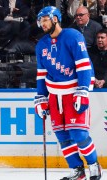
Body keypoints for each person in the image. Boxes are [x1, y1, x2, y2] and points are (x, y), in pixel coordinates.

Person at [34, 6, 102, 180]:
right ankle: (77, 170)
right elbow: (41, 75)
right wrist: (41, 97)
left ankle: (94, 166)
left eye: (45, 20)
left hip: (73, 93)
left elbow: (84, 66)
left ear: (55, 19)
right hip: (55, 96)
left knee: (79, 134)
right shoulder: (41, 44)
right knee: (63, 136)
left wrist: (82, 91)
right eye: (40, 21)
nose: (42, 24)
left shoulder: (73, 36)